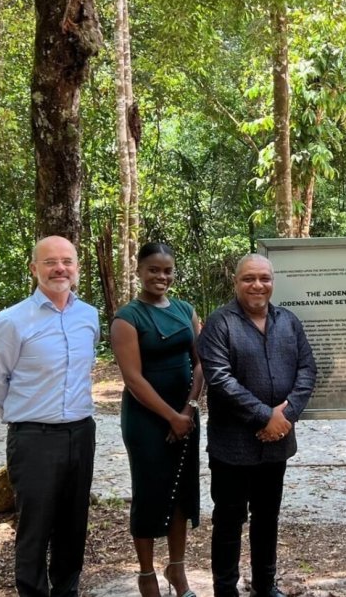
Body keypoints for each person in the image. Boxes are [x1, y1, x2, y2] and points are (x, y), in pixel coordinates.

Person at [0, 236, 100, 597]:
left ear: (77, 268)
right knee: (35, 527)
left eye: (67, 261)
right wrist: (23, 413)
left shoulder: (89, 315)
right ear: (34, 269)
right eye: (50, 262)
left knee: (73, 524)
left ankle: (67, 591)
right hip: (33, 437)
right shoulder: (12, 321)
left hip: (81, 431)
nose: (59, 268)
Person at [197, 253, 317, 597]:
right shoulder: (220, 323)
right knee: (229, 520)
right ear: (236, 282)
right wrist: (267, 416)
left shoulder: (288, 322)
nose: (257, 285)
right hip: (231, 446)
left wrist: (287, 415)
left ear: (272, 282)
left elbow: (307, 370)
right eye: (249, 278)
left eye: (264, 278)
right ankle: (225, 589)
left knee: (267, 518)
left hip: (275, 444)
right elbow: (220, 380)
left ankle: (265, 585)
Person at [111, 243, 204, 597]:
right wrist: (170, 416)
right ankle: (146, 573)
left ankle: (177, 570)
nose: (161, 277)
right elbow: (133, 378)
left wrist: (189, 409)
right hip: (146, 418)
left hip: (186, 412)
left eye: (167, 270)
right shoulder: (127, 317)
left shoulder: (185, 310)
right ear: (139, 270)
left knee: (182, 491)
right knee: (149, 491)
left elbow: (200, 362)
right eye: (153, 269)